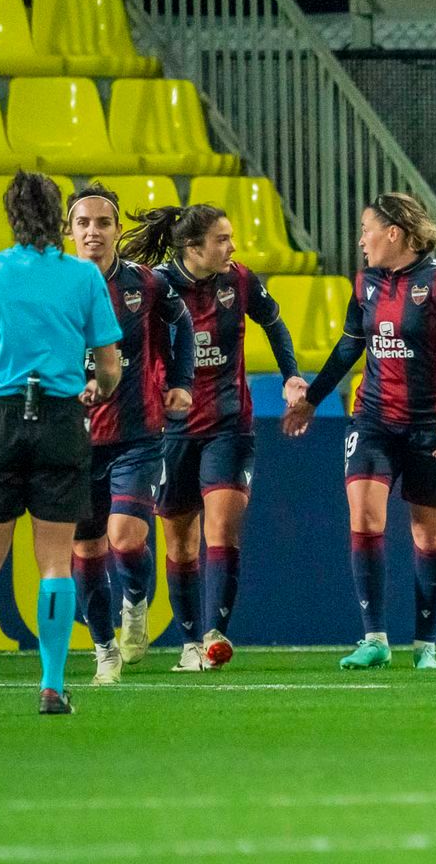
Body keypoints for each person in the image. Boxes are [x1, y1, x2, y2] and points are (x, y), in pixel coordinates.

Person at [0, 172, 123, 716]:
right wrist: (94, 389)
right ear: (60, 218)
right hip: (60, 419)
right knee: (55, 563)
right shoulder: (83, 279)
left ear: (10, 216)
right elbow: (109, 368)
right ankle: (53, 686)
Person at [285, 193, 436, 671]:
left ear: (394, 232)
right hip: (371, 420)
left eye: (366, 228)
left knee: (428, 539)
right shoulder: (365, 283)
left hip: (431, 424)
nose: (361, 239)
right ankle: (375, 639)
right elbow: (349, 348)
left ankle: (425, 646)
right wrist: (312, 401)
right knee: (366, 519)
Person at [122, 204, 302, 672]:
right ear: (193, 247)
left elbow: (275, 324)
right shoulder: (154, 286)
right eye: (222, 239)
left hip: (229, 424)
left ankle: (214, 633)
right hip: (170, 431)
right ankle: (188, 645)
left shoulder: (239, 280)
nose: (232, 247)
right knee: (180, 544)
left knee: (222, 528)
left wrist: (292, 376)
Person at [68, 185, 194, 683]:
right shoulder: (55, 286)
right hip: (73, 444)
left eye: (103, 222)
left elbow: (182, 327)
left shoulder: (147, 284)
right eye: (84, 223)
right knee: (86, 551)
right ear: (70, 231)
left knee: (124, 538)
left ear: (118, 230)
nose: (94, 231)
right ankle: (104, 650)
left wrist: (182, 383)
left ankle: (137, 604)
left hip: (137, 435)